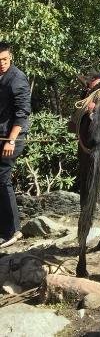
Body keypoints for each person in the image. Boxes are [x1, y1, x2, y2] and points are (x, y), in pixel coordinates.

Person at [0, 42, 31, 248]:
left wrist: (11, 140)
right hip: (1, 134)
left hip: (13, 137)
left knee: (2, 178)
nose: (2, 63)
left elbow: (22, 112)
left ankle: (13, 230)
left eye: (4, 59)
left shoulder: (17, 78)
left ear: (10, 57)